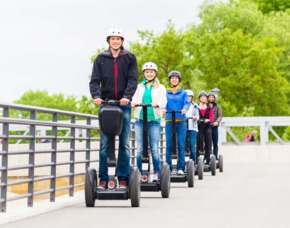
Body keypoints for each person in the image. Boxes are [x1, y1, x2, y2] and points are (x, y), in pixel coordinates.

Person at [89, 27, 138, 190]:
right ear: (108, 41)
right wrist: (96, 96)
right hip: (106, 105)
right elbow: (94, 80)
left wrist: (127, 97)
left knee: (124, 143)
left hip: (123, 105)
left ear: (122, 41)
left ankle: (123, 178)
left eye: (118, 39)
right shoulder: (101, 58)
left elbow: (133, 80)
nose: (115, 41)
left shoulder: (129, 57)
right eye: (112, 39)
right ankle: (104, 179)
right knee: (104, 143)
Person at [131, 62, 167, 181]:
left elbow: (163, 101)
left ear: (155, 73)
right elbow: (133, 98)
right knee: (140, 149)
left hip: (154, 121)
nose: (149, 74)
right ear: (144, 74)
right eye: (147, 72)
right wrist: (132, 103)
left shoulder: (160, 87)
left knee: (154, 148)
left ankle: (156, 173)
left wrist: (158, 104)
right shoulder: (139, 87)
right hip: (140, 120)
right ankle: (140, 174)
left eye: (151, 72)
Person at [164, 71, 190, 175]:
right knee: (169, 145)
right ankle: (168, 168)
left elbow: (187, 103)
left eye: (176, 78)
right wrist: (164, 109)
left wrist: (184, 109)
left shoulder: (183, 93)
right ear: (170, 80)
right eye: (172, 78)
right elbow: (163, 103)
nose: (174, 79)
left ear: (179, 80)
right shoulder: (165, 92)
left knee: (180, 145)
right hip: (169, 120)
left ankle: (180, 168)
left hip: (181, 121)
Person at [196, 91, 213, 164]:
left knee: (208, 142)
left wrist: (208, 120)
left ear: (206, 98)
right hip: (199, 127)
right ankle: (197, 159)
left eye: (204, 97)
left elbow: (211, 118)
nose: (203, 98)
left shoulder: (209, 108)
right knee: (198, 143)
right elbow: (195, 116)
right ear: (199, 98)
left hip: (207, 127)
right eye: (201, 97)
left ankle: (207, 159)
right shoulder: (196, 107)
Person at [185, 89, 199, 163]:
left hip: (193, 127)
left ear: (192, 97)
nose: (188, 98)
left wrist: (195, 117)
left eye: (190, 96)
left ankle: (193, 162)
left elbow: (198, 116)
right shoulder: (182, 105)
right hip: (184, 126)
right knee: (184, 145)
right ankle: (184, 162)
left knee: (191, 144)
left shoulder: (195, 106)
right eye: (187, 96)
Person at [207, 92, 222, 160]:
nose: (211, 98)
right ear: (208, 98)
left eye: (212, 97)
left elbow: (220, 116)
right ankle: (207, 157)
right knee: (207, 143)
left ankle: (215, 157)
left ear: (214, 98)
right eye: (210, 97)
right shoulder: (205, 106)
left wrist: (217, 122)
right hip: (207, 126)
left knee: (215, 143)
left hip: (214, 126)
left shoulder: (218, 106)